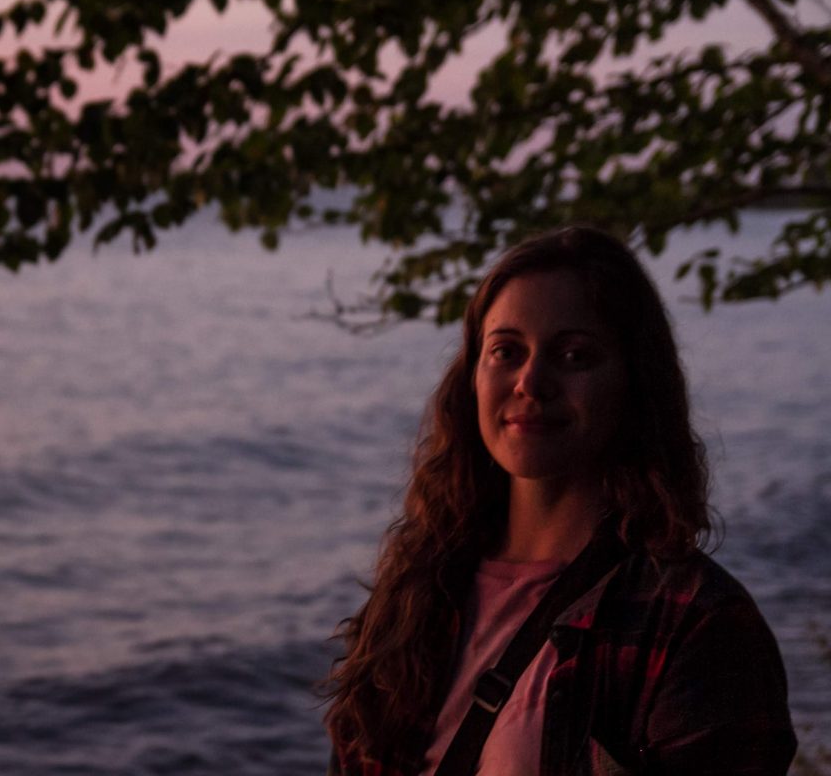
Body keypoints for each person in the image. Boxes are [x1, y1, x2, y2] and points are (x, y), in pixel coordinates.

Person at [323, 227, 796, 775]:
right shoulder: (418, 589)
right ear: (472, 375)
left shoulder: (696, 625)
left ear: (634, 382)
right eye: (506, 350)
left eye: (574, 355)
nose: (530, 381)